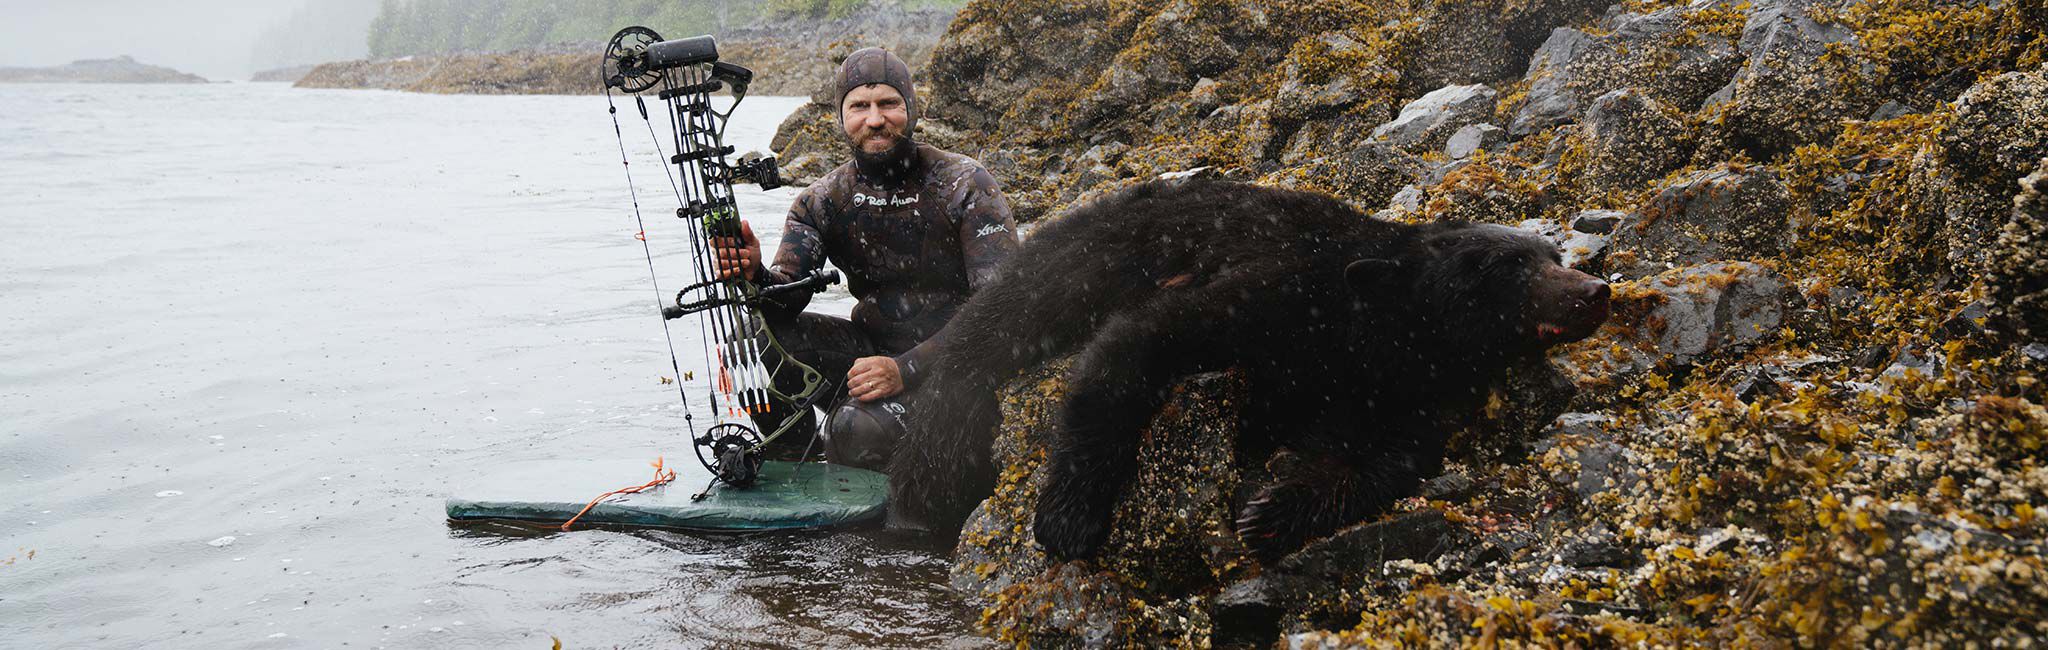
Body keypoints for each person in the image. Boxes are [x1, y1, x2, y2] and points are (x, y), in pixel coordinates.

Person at [713, 47, 1019, 471]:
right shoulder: (822, 200)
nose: (874, 119)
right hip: (870, 356)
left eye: (888, 104)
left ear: (911, 109)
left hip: (958, 370)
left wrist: (904, 370)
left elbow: (1000, 315)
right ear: (841, 117)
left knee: (853, 430)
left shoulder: (965, 185)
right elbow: (785, 301)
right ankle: (792, 459)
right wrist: (754, 275)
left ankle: (872, 449)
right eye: (859, 106)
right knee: (751, 337)